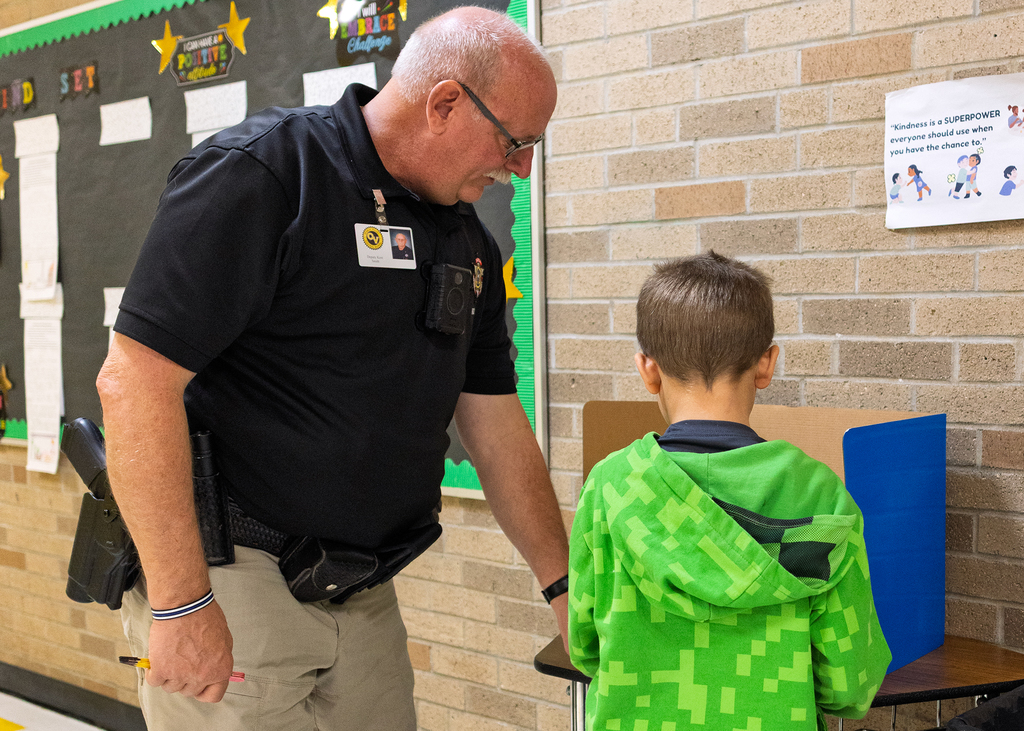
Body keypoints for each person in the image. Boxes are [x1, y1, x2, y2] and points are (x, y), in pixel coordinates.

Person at [96, 8, 568, 731]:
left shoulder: (466, 240)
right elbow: (133, 381)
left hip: (360, 581)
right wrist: (182, 602)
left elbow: (494, 418)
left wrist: (562, 586)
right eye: (515, 141)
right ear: (444, 103)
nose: (520, 167)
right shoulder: (266, 176)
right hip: (233, 569)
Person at [568, 252, 891, 731]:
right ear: (766, 363)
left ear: (648, 370)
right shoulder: (819, 494)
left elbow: (584, 646)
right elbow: (849, 684)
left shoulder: (611, 486)